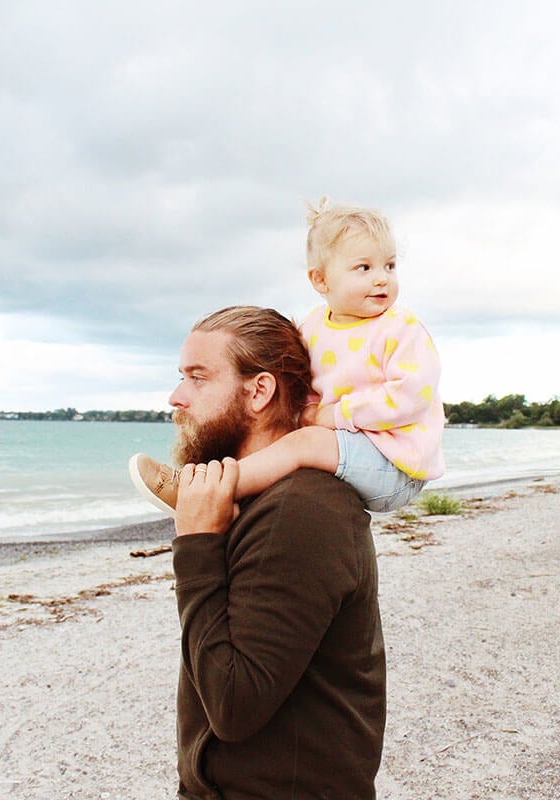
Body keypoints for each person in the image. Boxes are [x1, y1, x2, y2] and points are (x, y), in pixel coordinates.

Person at [165, 306, 386, 798]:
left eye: (198, 378)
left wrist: (198, 546)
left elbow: (234, 706)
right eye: (181, 378)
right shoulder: (263, 500)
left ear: (259, 391)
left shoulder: (302, 509)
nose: (176, 398)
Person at [130, 199, 445, 517]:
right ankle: (235, 503)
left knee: (303, 443)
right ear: (320, 280)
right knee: (280, 441)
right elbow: (302, 381)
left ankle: (199, 493)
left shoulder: (401, 328)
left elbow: (410, 397)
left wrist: (331, 417)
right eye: (364, 268)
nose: (382, 279)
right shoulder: (313, 326)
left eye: (389, 266)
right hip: (350, 444)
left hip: (396, 462)